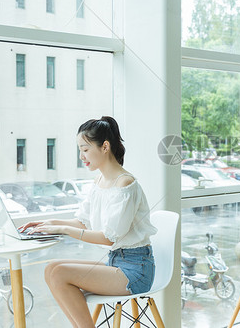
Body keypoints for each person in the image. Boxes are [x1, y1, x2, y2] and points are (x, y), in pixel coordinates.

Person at [18, 116, 157, 328]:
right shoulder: (100, 181)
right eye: (80, 150)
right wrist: (46, 222)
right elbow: (82, 222)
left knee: (61, 273)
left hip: (135, 271)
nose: (81, 156)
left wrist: (62, 229)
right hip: (115, 263)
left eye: (85, 149)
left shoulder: (125, 184)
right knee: (51, 269)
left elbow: (109, 238)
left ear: (105, 147)